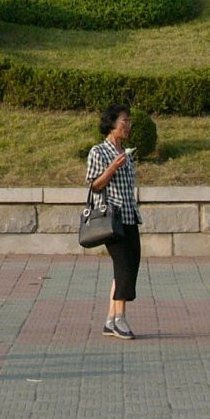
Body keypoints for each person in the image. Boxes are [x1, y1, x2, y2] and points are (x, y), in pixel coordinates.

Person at [85, 103, 142, 340]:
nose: (127, 125)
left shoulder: (126, 152)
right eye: (123, 121)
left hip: (130, 216)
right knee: (124, 266)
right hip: (112, 219)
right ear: (111, 124)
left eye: (129, 121)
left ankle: (110, 320)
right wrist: (111, 168)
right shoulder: (98, 151)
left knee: (130, 265)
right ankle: (120, 319)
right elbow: (94, 184)